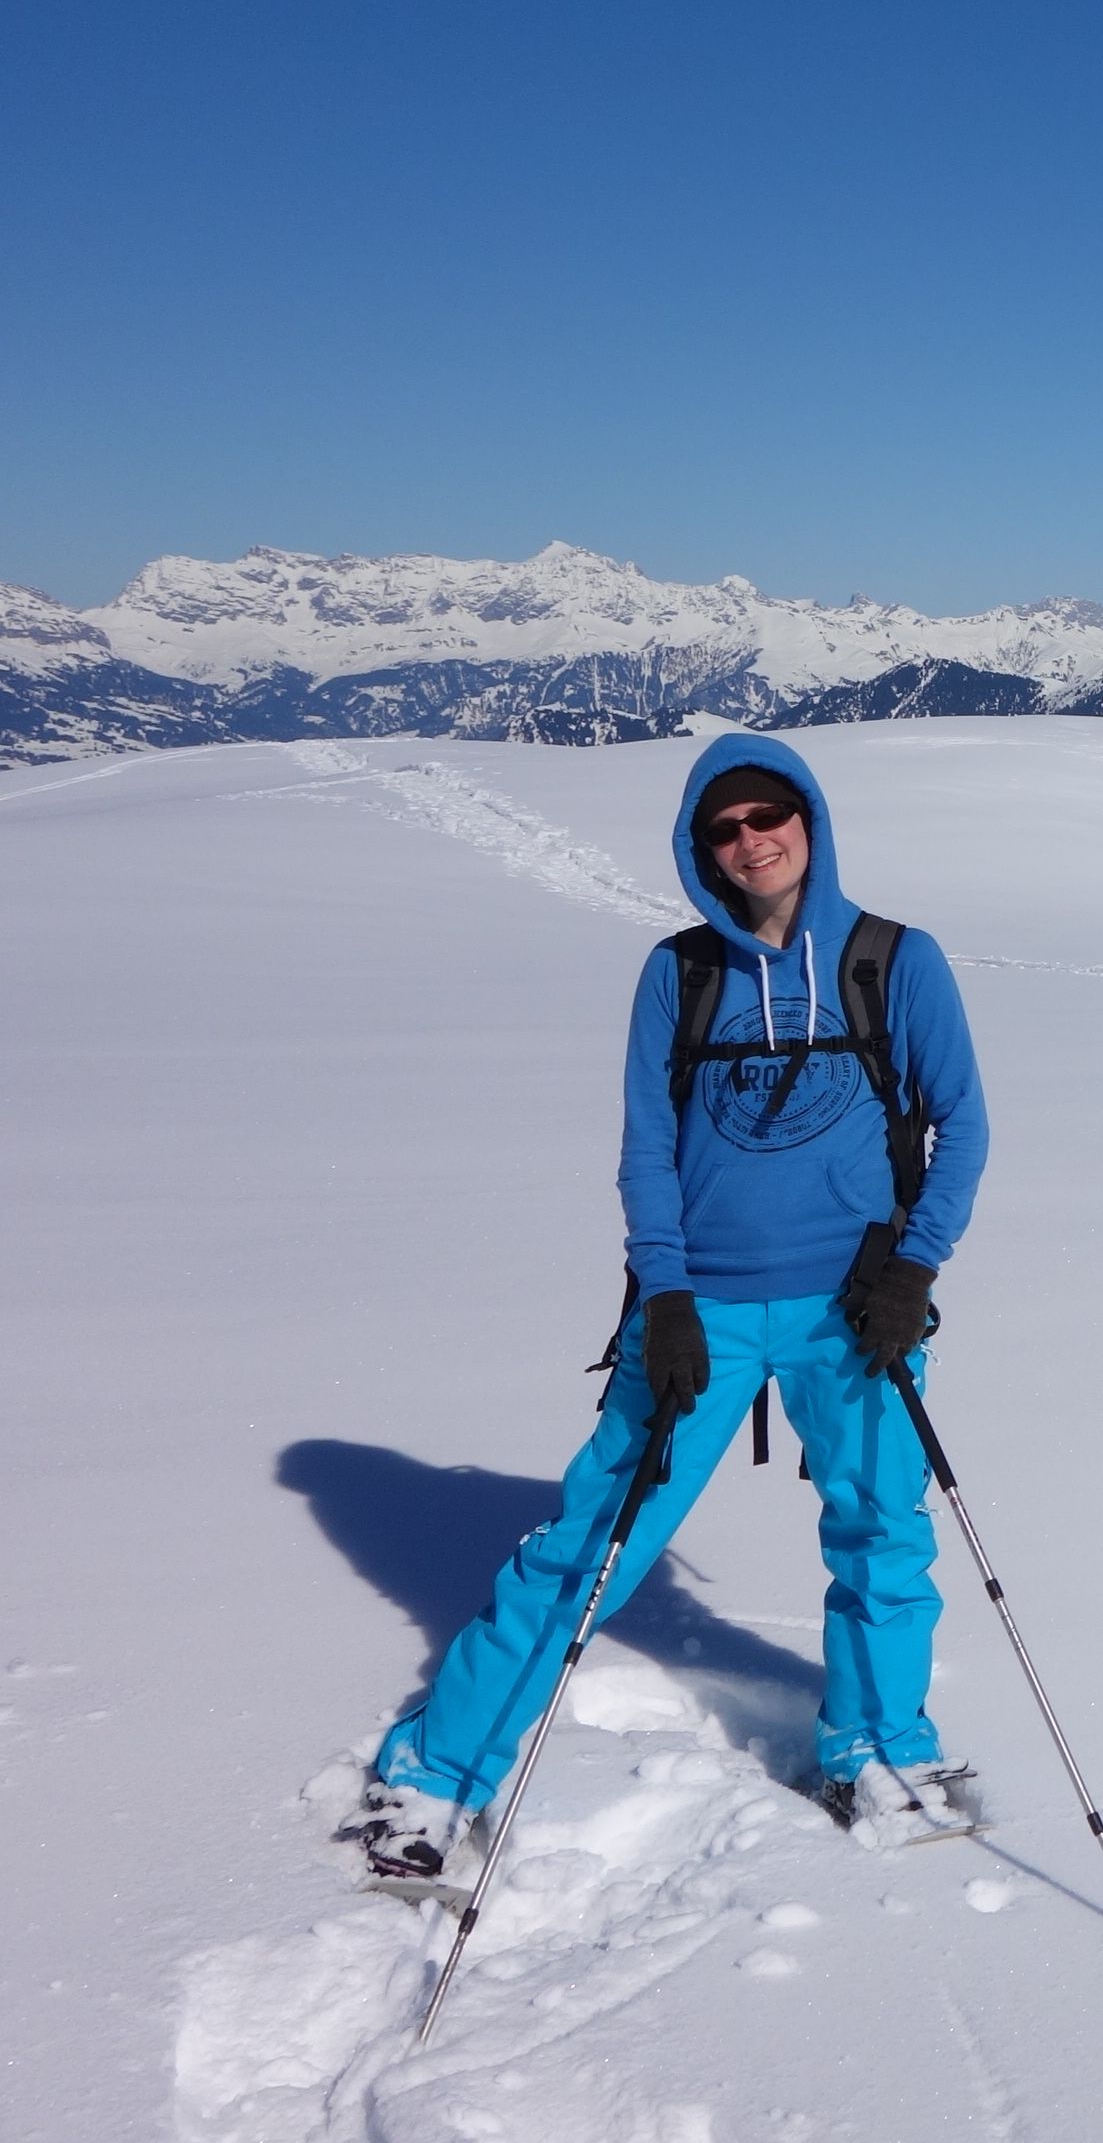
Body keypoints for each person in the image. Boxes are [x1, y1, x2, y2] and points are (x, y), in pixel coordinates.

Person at [347, 733, 991, 1880]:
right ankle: (436, 1773)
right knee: (592, 1544)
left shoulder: (897, 960)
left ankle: (880, 1750)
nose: (750, 842)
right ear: (702, 851)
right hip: (701, 1316)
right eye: (723, 830)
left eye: (767, 817)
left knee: (885, 1534)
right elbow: (649, 1147)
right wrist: (666, 1293)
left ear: (810, 819)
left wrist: (915, 1270)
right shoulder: (679, 974)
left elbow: (964, 1126)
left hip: (857, 1312)